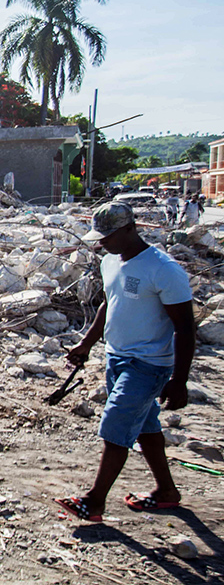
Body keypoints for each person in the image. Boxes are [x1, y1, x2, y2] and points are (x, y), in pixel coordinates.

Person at [55, 202, 195, 522]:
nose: (102, 243)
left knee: (117, 424)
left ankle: (94, 501)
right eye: (99, 237)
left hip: (148, 363)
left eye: (108, 236)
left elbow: (185, 327)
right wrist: (87, 344)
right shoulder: (110, 262)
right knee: (145, 427)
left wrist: (180, 379)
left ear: (131, 229)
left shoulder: (163, 269)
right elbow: (110, 303)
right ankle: (167, 492)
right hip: (116, 357)